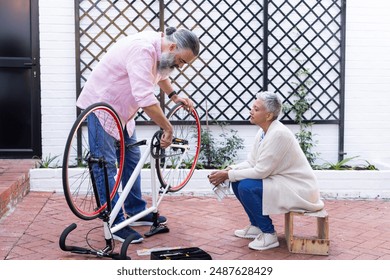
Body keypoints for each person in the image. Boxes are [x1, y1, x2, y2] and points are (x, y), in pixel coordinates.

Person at [76, 27, 200, 243]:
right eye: (181, 61)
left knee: (131, 160)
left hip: (123, 110)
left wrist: (173, 96)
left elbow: (159, 74)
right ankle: (113, 222)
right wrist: (168, 128)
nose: (180, 66)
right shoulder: (142, 49)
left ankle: (135, 211)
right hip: (102, 106)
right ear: (172, 47)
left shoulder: (160, 49)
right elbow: (145, 98)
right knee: (105, 165)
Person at [208, 91, 324, 251]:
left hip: (299, 189)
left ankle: (269, 234)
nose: (251, 111)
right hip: (283, 181)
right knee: (237, 183)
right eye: (252, 107)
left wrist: (227, 175)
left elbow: (260, 172)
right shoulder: (264, 131)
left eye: (256, 109)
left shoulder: (278, 134)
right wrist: (230, 170)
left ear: (268, 115)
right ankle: (256, 225)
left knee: (246, 186)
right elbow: (252, 162)